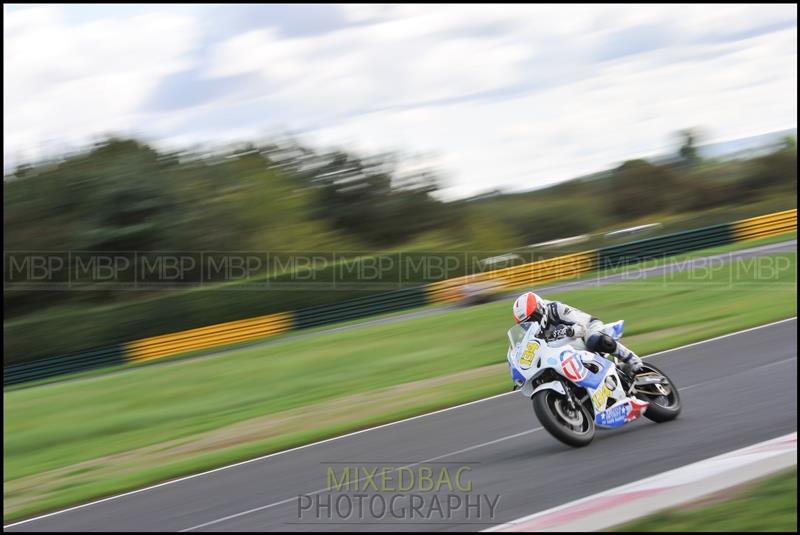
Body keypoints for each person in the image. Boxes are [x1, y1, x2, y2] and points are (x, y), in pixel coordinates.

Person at [512, 291, 643, 374]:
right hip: (565, 348)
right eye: (526, 322)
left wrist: (569, 330)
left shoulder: (555, 308)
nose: (532, 323)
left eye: (533, 318)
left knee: (593, 339)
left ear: (540, 308)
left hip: (588, 327)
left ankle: (632, 360)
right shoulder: (534, 332)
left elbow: (581, 328)